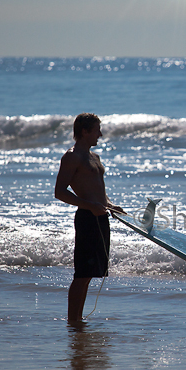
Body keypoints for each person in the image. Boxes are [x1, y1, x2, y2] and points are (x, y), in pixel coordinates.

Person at [55, 113, 123, 323]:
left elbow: (98, 191)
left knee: (91, 274)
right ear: (84, 131)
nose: (100, 135)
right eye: (96, 130)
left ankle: (79, 318)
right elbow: (60, 192)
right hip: (86, 217)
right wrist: (90, 206)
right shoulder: (72, 156)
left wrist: (110, 205)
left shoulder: (95, 157)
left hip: (100, 217)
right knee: (82, 274)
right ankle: (72, 321)